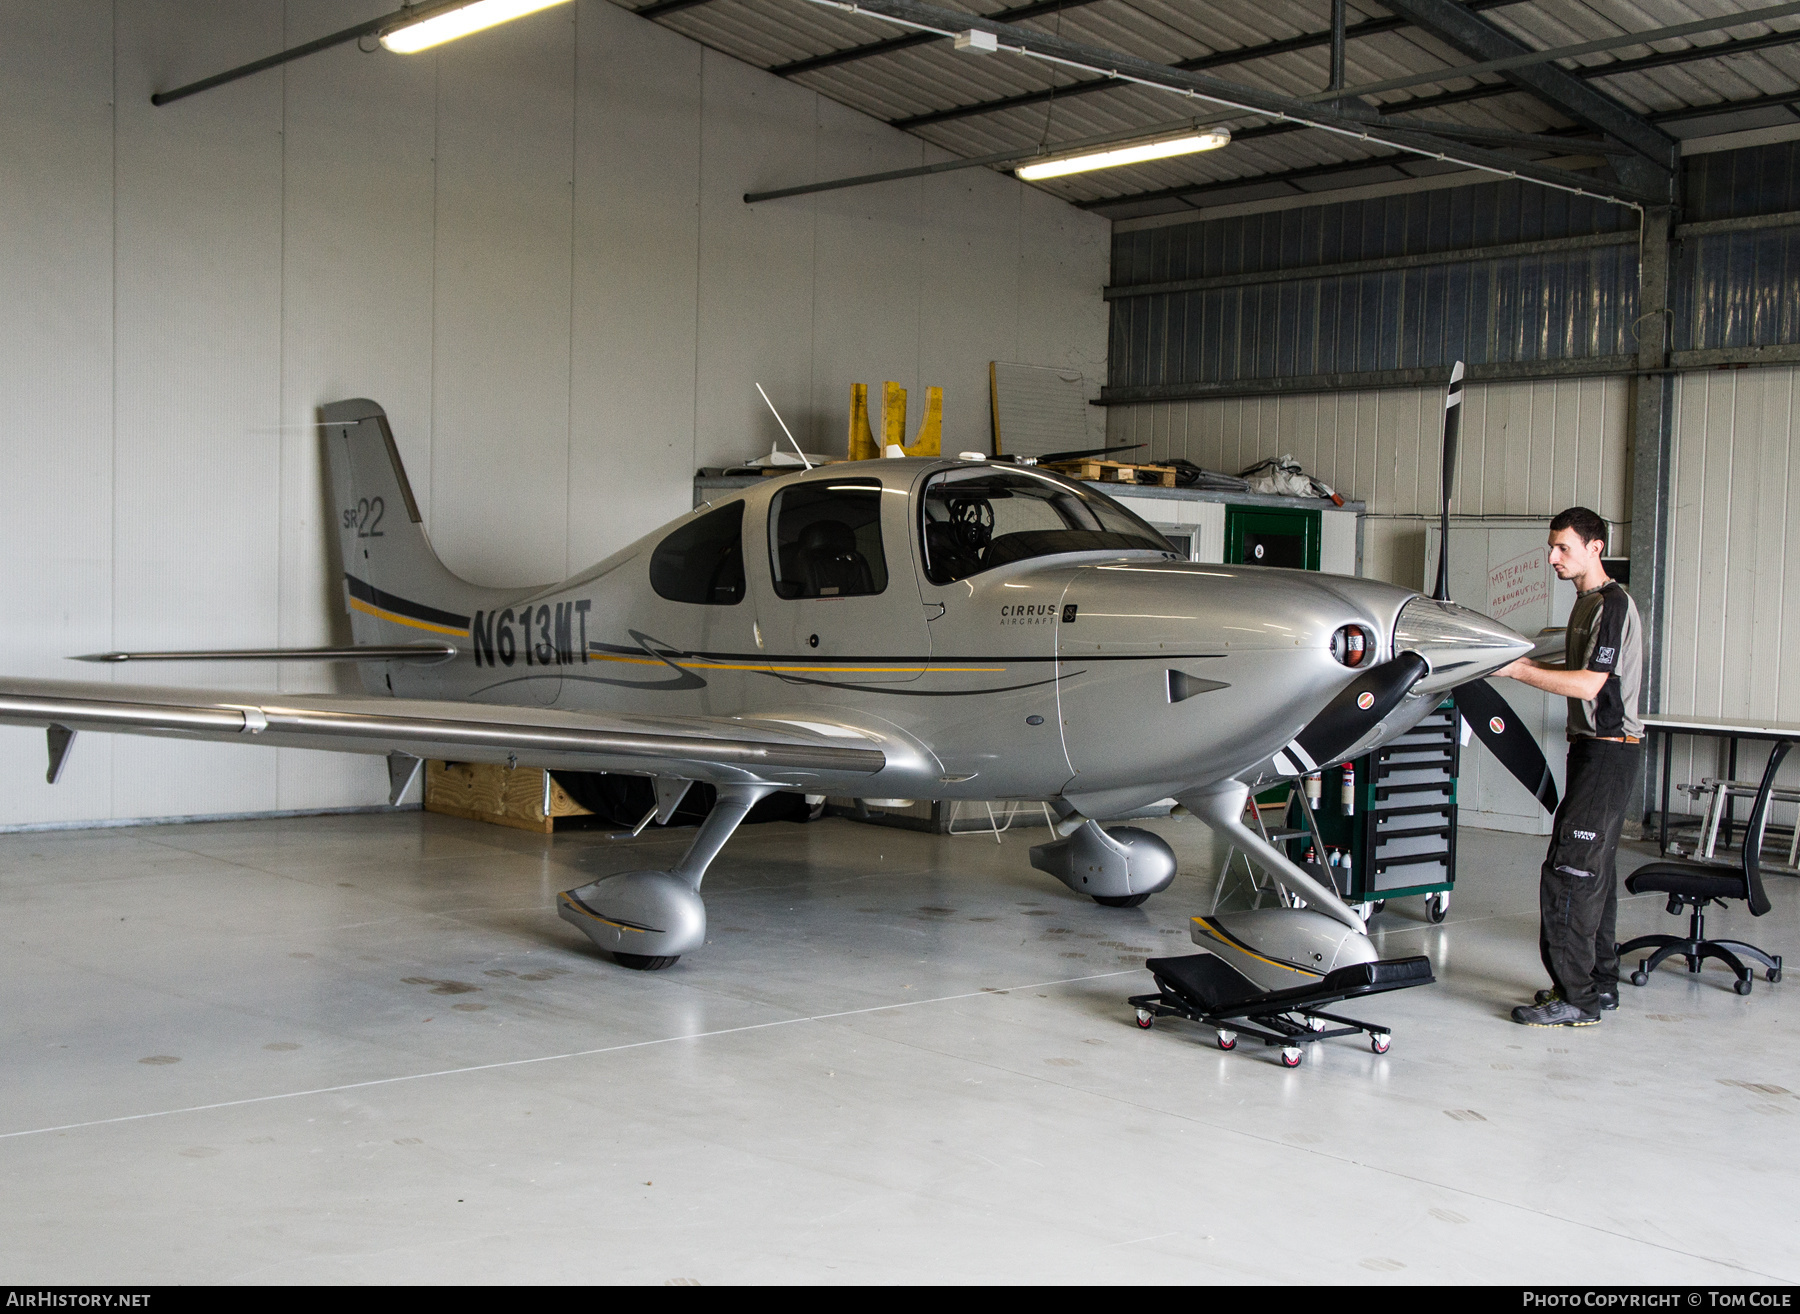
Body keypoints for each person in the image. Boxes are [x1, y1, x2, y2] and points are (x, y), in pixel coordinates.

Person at [1493, 507, 1643, 1028]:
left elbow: (1588, 685)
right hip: (1591, 749)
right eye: (1551, 547)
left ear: (1594, 547)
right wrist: (1515, 661)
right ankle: (1599, 985)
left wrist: (1518, 670)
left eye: (1563, 548)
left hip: (1609, 749)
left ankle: (1576, 998)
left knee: (1569, 873)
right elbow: (1573, 667)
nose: (1552, 557)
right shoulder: (1586, 604)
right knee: (1593, 869)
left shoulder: (1613, 605)